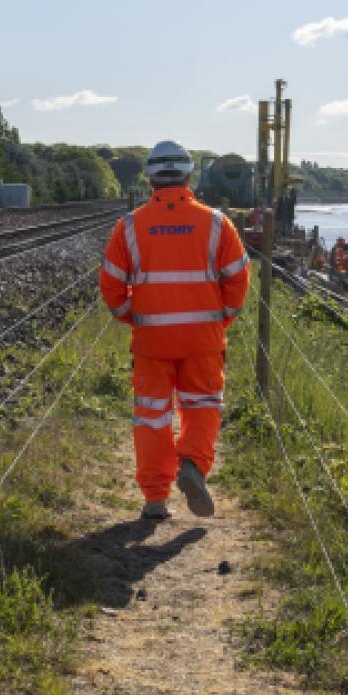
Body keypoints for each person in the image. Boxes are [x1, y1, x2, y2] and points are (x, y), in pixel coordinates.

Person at [98, 141, 250, 520]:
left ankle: (154, 498)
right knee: (202, 408)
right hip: (204, 340)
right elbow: (238, 280)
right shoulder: (217, 223)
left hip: (152, 341)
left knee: (152, 417)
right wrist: (220, 319)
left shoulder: (129, 226)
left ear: (150, 179)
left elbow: (111, 285)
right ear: (188, 176)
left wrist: (133, 316)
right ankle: (193, 466)